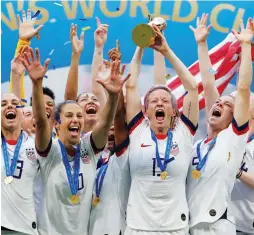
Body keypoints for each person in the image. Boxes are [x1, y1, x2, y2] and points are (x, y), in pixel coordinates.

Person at [21, 46, 130, 235]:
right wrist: (36, 84)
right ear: (56, 123)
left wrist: (113, 96)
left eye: (79, 116)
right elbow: (40, 123)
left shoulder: (88, 147)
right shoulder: (49, 150)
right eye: (69, 115)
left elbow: (103, 125)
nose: (76, 120)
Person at [120, 24, 199, 235]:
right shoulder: (138, 129)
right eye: (153, 101)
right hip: (138, 227)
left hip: (176, 227)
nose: (160, 104)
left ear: (174, 110)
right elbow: (131, 86)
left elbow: (191, 86)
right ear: (145, 110)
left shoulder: (184, 132)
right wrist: (141, 45)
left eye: (165, 100)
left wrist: (166, 50)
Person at [187, 14, 253, 234]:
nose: (218, 103)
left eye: (227, 104)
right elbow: (207, 83)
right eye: (218, 102)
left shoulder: (232, 138)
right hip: (188, 225)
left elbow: (243, 89)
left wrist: (245, 47)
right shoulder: (197, 146)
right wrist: (202, 45)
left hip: (221, 226)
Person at [1, 93, 39, 235]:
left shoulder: (36, 145)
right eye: (3, 104)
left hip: (25, 228)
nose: (9, 106)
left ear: (23, 114)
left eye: (15, 103)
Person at [229, 96, 254, 235]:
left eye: (243, 104)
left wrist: (237, 173)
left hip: (246, 228)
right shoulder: (226, 139)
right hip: (219, 224)